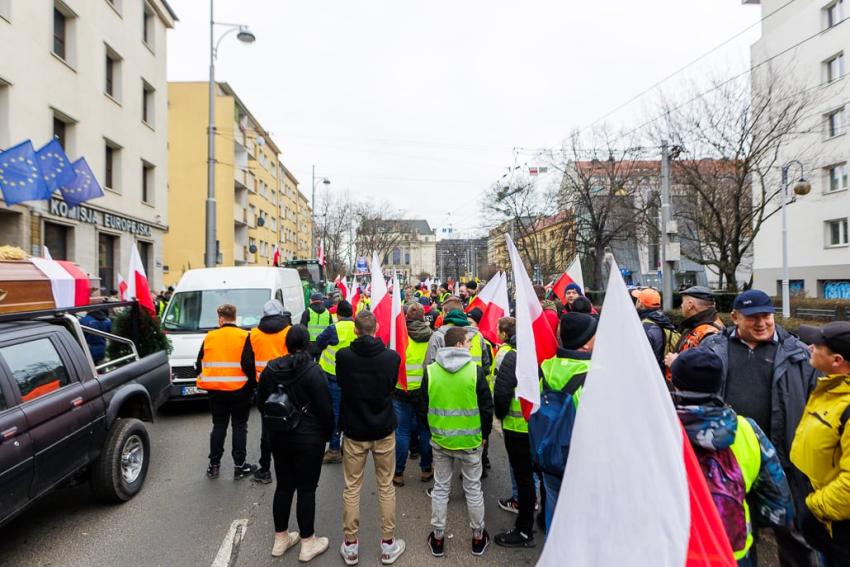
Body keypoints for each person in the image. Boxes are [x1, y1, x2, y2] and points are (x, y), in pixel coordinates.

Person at [701, 289, 820, 567]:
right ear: (734, 317)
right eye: (752, 318)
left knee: (794, 535)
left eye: (766, 316)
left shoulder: (799, 354)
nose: (761, 323)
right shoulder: (713, 349)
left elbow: (819, 403)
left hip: (785, 463)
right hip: (734, 462)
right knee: (740, 532)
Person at [671, 348, 793, 566]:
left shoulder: (657, 428)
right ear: (719, 384)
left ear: (676, 382)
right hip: (731, 550)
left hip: (673, 549)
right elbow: (779, 503)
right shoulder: (747, 430)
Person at [256, 326, 334, 562]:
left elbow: (261, 402)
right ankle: (308, 542)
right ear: (307, 343)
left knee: (284, 486)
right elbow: (325, 409)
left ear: (286, 344)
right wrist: (328, 436)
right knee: (307, 490)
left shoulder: (270, 369)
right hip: (309, 438)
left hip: (279, 436)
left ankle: (281, 539)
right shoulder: (313, 371)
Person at [336, 311, 406, 566]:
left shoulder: (344, 357)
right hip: (383, 429)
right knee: (385, 486)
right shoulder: (391, 357)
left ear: (355, 330)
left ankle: (351, 545)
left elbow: (342, 384)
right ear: (376, 328)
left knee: (352, 487)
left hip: (355, 430)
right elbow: (389, 386)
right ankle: (388, 544)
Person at [420, 326, 494, 557]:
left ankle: (439, 538)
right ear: (459, 345)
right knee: (473, 489)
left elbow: (422, 409)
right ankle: (478, 537)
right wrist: (484, 436)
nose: (471, 345)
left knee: (441, 489)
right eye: (468, 342)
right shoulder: (475, 371)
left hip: (441, 442)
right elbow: (486, 409)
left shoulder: (431, 371)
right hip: (471, 442)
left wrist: (433, 431)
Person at [791, 322, 850, 566]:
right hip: (829, 524)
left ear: (837, 360)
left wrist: (814, 509)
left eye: (817, 345)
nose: (810, 347)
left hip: (840, 528)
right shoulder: (831, 389)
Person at [535, 312, 596, 532]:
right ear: (586, 344)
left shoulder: (546, 367)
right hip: (582, 460)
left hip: (552, 454)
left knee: (554, 507)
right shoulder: (595, 374)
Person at [196, 304, 257, 480]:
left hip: (216, 390)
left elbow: (199, 363)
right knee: (239, 426)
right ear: (235, 318)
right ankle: (239, 467)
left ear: (221, 319)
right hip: (240, 390)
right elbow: (248, 364)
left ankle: (214, 466)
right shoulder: (245, 336)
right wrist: (251, 386)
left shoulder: (210, 337)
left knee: (219, 426)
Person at [492, 316, 537, 548]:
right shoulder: (540, 349)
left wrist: (499, 415)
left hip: (517, 427)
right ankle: (541, 516)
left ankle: (524, 530)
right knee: (535, 475)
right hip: (538, 426)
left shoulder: (510, 357)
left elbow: (501, 393)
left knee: (524, 477)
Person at [241, 299, 292, 484]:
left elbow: (246, 362)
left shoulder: (253, 334)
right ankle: (288, 467)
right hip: (287, 385)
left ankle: (265, 469)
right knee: (289, 425)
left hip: (263, 386)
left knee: (267, 430)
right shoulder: (288, 331)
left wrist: (256, 379)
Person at [393, 303, 433, 487]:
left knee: (402, 431)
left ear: (407, 316)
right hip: (424, 390)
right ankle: (425, 469)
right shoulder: (431, 336)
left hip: (402, 388)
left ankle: (399, 473)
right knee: (425, 430)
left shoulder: (399, 335)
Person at [315, 300, 356, 464]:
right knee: (350, 411)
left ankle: (333, 449)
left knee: (336, 413)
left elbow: (319, 342)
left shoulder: (334, 328)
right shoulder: (357, 327)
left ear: (338, 314)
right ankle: (348, 447)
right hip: (352, 377)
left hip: (333, 377)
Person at [663, 285, 724, 371]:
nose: (681, 305)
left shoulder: (710, 332)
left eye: (683, 302)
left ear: (690, 305)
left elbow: (709, 371)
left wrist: (676, 362)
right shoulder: (698, 325)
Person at [426, 305, 492, 377]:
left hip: (443, 380)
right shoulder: (477, 335)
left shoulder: (437, 336)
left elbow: (430, 362)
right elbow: (486, 362)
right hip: (473, 378)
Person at [634, 288, 678, 371]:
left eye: (637, 300)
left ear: (640, 304)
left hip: (650, 375)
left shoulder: (644, 328)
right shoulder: (663, 321)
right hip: (663, 372)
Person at [300, 292, 332, 360]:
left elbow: (302, 329)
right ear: (321, 301)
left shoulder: (307, 312)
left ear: (311, 301)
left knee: (309, 366)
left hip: (309, 344)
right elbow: (331, 328)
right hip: (322, 344)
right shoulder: (328, 313)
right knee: (320, 365)